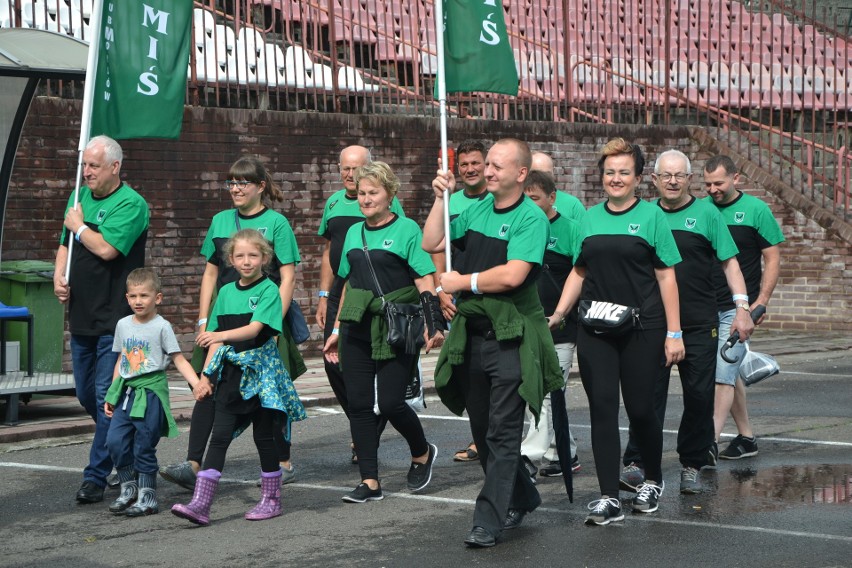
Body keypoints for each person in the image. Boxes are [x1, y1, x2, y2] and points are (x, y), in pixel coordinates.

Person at [424, 138, 562, 548]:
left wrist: (462, 282)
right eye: (488, 165)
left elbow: (514, 275)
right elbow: (433, 242)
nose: (488, 172)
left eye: (498, 166)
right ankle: (524, 493)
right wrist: (439, 199)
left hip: (513, 337)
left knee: (502, 433)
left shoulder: (532, 219)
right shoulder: (477, 208)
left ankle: (488, 520)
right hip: (475, 337)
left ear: (521, 174)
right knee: (484, 432)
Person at [549, 137, 684, 525]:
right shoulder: (588, 219)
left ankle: (652, 478)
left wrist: (674, 333)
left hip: (644, 328)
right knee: (602, 409)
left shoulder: (652, 217)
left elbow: (666, 275)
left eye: (624, 172)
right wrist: (559, 313)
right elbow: (579, 270)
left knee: (642, 409)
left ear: (639, 178)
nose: (616, 178)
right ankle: (609, 495)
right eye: (610, 172)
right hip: (595, 327)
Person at [160, 156, 303, 491]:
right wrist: (203, 319)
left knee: (269, 394)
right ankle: (194, 463)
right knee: (206, 386)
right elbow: (210, 272)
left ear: (260, 187)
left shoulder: (277, 223)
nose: (236, 189)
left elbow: (288, 276)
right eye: (231, 183)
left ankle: (282, 462)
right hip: (223, 318)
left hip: (262, 317)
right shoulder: (220, 220)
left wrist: (271, 321)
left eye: (243, 183)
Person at [619, 150, 754, 495]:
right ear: (654, 180)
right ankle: (636, 462)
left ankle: (691, 463)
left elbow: (731, 265)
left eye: (679, 175)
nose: (673, 181)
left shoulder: (707, 213)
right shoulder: (645, 214)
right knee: (646, 398)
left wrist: (742, 308)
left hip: (698, 323)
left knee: (697, 397)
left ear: (689, 179)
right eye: (666, 175)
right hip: (652, 324)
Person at [323, 161, 443, 503]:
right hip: (356, 326)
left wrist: (433, 324)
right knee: (360, 404)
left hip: (397, 325)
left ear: (390, 195)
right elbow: (347, 283)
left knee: (390, 403)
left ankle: (421, 451)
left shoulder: (407, 229)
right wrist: (336, 327)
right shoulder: (351, 234)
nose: (365, 199)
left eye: (373, 192)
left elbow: (424, 279)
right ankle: (370, 482)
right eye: (361, 193)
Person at [171, 229, 307, 526]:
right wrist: (206, 376)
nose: (247, 261)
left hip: (261, 376)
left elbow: (254, 330)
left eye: (253, 255)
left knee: (264, 438)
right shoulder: (227, 292)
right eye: (240, 256)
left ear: (265, 258)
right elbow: (216, 344)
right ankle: (201, 504)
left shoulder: (270, 289)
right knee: (219, 436)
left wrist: (217, 335)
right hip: (231, 375)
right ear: (231, 259)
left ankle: (271, 500)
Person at [53, 135, 149, 504]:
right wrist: (59, 275)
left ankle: (95, 476)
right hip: (81, 316)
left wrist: (79, 226)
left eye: (93, 165)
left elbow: (108, 249)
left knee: (104, 395)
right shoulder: (78, 199)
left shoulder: (132, 204)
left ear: (115, 167)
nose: (87, 172)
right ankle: (133, 445)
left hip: (118, 320)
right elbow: (65, 242)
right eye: (85, 165)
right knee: (84, 395)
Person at [314, 145, 405, 463]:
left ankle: (366, 430)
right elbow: (328, 251)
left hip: (372, 290)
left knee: (372, 359)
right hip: (340, 288)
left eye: (355, 168)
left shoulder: (383, 202)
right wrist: (324, 295)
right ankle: (362, 421)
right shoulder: (334, 202)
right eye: (344, 168)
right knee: (331, 359)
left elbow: (401, 243)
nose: (349, 174)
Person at [104, 268, 209, 517]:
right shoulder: (122, 325)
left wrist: (197, 384)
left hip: (151, 393)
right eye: (132, 296)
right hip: (126, 392)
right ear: (127, 298)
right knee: (115, 441)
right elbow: (121, 360)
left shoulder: (162, 327)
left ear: (157, 298)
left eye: (144, 296)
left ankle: (148, 497)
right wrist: (111, 393)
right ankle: (128, 489)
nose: (138, 301)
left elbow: (178, 359)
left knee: (143, 445)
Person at [704, 155, 784, 459]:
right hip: (703, 305)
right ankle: (747, 438)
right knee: (729, 369)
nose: (712, 189)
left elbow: (772, 257)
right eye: (707, 183)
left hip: (737, 309)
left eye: (719, 183)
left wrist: (761, 302)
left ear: (736, 179)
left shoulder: (755, 210)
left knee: (722, 371)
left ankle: (707, 443)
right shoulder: (702, 210)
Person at [521, 151, 584, 479]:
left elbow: (583, 275)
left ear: (552, 197)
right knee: (539, 392)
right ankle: (566, 453)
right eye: (525, 199)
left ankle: (528, 459)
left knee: (546, 392)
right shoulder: (522, 227)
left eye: (536, 199)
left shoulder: (572, 229)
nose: (530, 204)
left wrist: (564, 314)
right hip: (526, 324)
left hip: (560, 327)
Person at [430, 139, 491, 464]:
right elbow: (437, 248)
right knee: (467, 371)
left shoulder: (496, 201)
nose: (469, 169)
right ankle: (480, 435)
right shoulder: (449, 202)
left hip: (490, 297)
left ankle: (490, 438)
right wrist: (441, 291)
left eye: (475, 163)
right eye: (464, 164)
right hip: (459, 299)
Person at [531, 151, 585, 222]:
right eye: (537, 174)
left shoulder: (572, 204)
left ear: (553, 172)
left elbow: (585, 231)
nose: (542, 179)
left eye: (547, 174)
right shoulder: (518, 201)